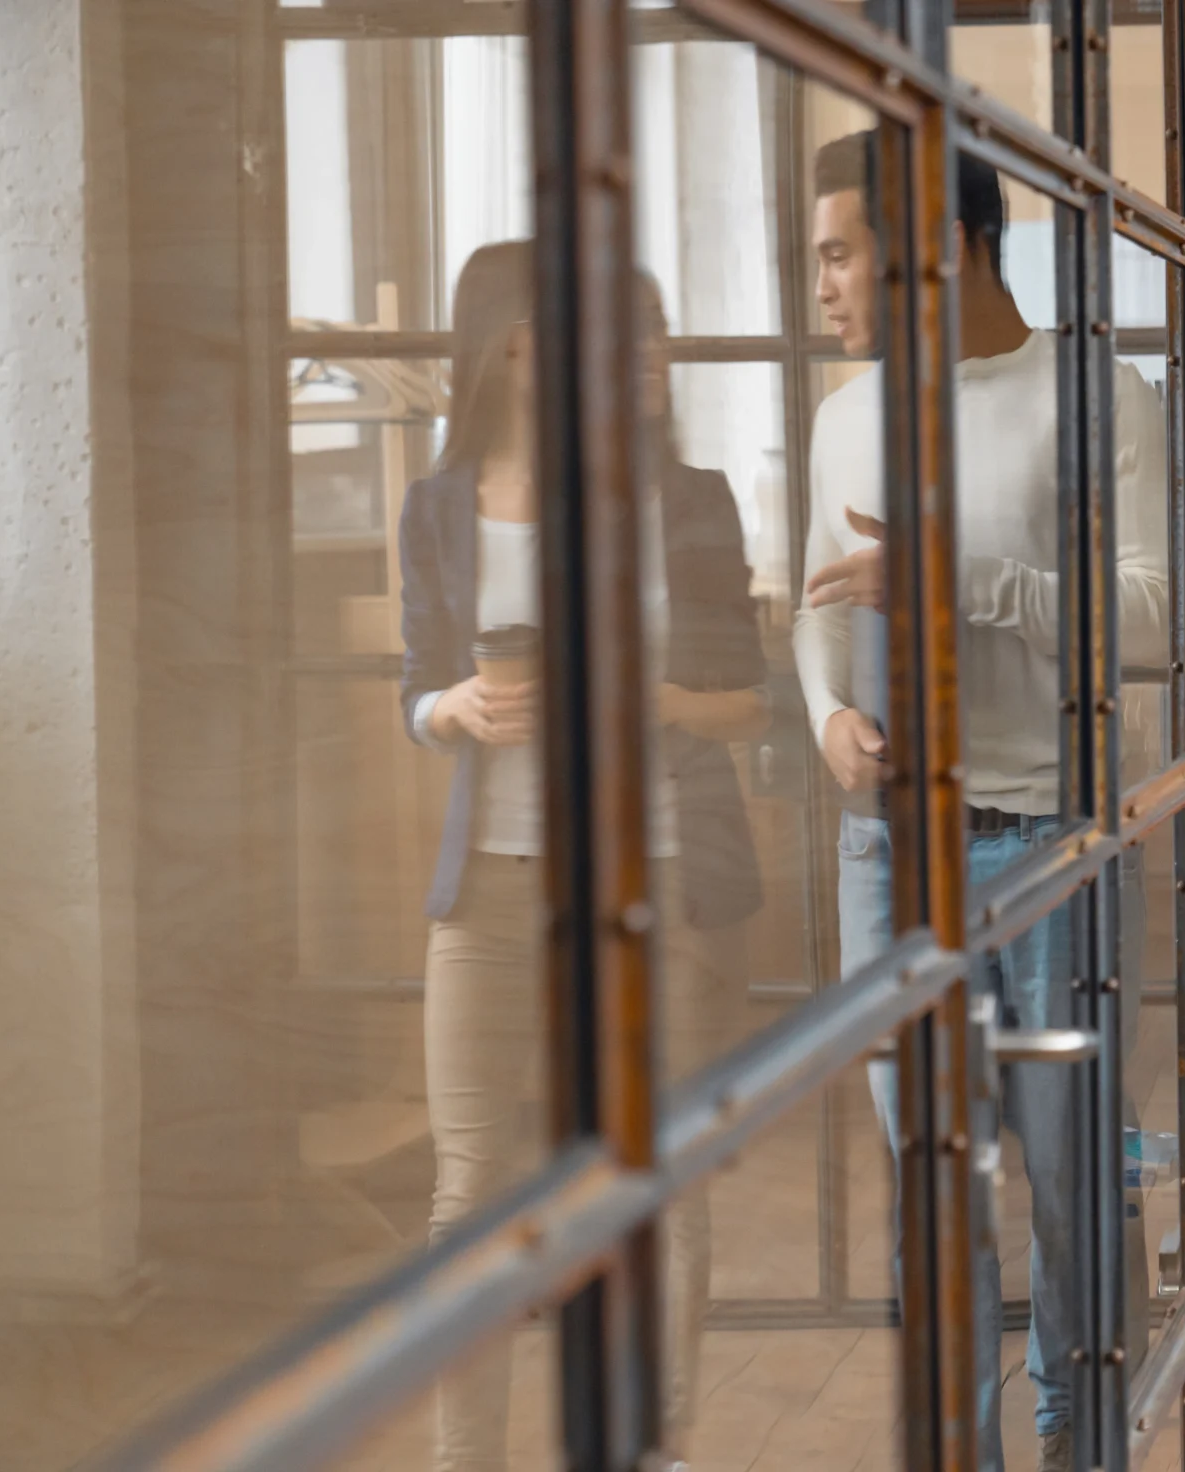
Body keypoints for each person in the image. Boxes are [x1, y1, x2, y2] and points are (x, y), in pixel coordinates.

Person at [790, 133, 1168, 1472]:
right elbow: (817, 610)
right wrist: (828, 714)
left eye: (839, 252)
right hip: (889, 854)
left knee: (1073, 1190)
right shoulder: (848, 413)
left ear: (939, 248)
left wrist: (970, 585)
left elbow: (1149, 615)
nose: (820, 283)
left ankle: (1082, 1447)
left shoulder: (1090, 390)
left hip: (1046, 844)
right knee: (932, 1197)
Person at [398, 242, 770, 1471]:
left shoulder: (684, 496)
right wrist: (452, 704)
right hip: (490, 885)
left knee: (652, 1183)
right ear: (498, 346)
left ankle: (645, 1448)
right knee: (466, 1195)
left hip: (650, 875)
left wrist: (640, 692)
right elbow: (416, 686)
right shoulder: (438, 505)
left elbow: (746, 703)